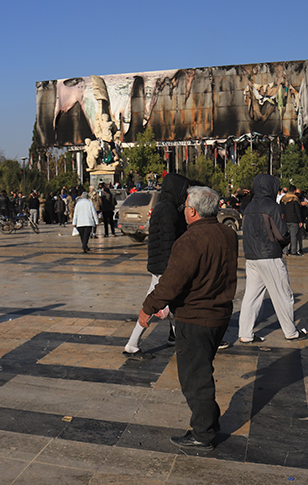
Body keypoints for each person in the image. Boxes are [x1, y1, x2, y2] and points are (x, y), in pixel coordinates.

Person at [138, 186, 238, 452]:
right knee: (202, 369)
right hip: (220, 314)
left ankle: (203, 434)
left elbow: (171, 283)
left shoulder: (189, 241)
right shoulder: (228, 234)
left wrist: (148, 308)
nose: (183, 210)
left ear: (192, 211)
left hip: (196, 317)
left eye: (185, 207)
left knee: (195, 377)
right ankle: (209, 421)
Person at [124, 173, 191, 358]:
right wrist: (173, 267)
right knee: (156, 305)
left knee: (162, 303)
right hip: (164, 266)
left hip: (159, 264)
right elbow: (170, 240)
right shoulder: (168, 210)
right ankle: (133, 344)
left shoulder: (164, 206)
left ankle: (173, 338)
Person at [238, 173, 308, 344]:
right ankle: (291, 332)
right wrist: (282, 245)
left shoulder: (248, 207)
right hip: (269, 255)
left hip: (252, 257)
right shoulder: (272, 207)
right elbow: (282, 234)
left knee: (251, 297)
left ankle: (245, 334)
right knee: (283, 295)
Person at [280, 186, 304, 256]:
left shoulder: (283, 198)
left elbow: (280, 209)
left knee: (285, 236)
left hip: (285, 219)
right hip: (294, 220)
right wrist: (300, 221)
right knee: (293, 236)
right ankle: (293, 251)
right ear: (294, 191)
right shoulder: (295, 199)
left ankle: (285, 250)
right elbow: (297, 211)